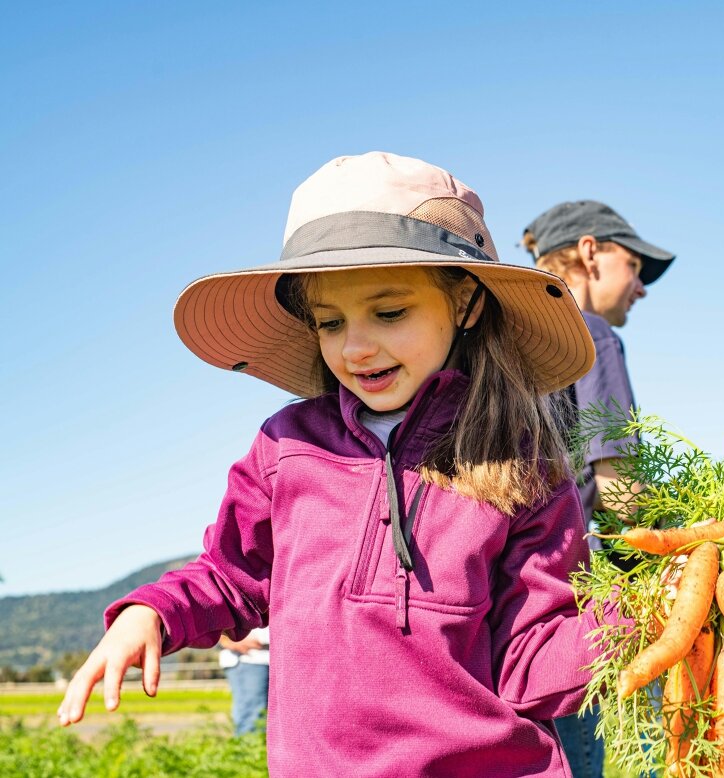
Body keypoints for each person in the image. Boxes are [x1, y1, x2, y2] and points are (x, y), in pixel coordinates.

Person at [57, 152, 625, 777]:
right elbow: (231, 576)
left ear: (464, 304)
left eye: (389, 312)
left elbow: (529, 661)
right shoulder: (286, 448)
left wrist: (645, 616)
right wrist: (152, 612)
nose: (356, 347)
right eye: (330, 322)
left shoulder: (523, 465)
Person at [522, 201, 674, 778]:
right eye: (634, 266)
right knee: (583, 757)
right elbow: (619, 488)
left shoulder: (513, 343)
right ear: (590, 253)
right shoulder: (591, 336)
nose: (640, 288)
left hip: (511, 591)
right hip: (572, 590)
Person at [217, 626, 269, 735]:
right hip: (248, 657)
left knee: (270, 718)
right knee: (251, 717)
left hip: (271, 656)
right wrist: (226, 640)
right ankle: (245, 750)